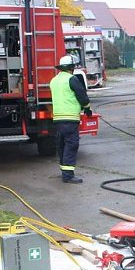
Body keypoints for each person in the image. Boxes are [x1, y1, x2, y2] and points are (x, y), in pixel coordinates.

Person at [51, 54, 92, 183]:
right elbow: (82, 96)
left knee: (62, 145)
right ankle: (68, 175)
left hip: (58, 119)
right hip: (70, 118)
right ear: (71, 67)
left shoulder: (54, 80)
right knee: (71, 144)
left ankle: (64, 170)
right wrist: (87, 108)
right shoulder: (72, 79)